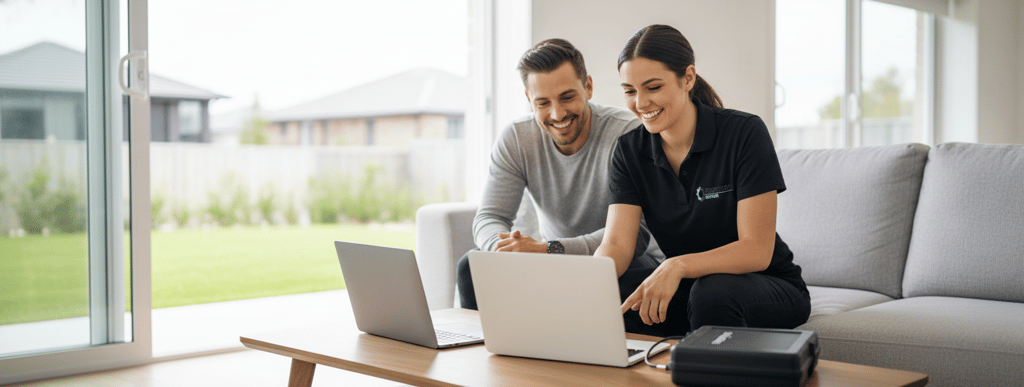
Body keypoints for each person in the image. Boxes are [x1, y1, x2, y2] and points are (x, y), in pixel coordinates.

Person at [595, 24, 810, 337]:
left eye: (653, 87)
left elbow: (757, 249)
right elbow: (616, 244)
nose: (640, 103)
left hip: (767, 284)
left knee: (712, 293)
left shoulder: (744, 133)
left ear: (688, 78)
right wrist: (586, 285)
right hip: (693, 287)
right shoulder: (629, 151)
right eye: (629, 91)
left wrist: (677, 265)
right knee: (618, 291)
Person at [457, 38, 662, 310]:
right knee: (470, 268)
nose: (557, 113)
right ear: (529, 100)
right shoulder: (518, 138)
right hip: (551, 259)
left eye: (567, 97)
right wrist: (503, 251)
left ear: (588, 87)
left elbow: (637, 235)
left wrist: (549, 250)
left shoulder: (627, 134)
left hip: (626, 261)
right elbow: (490, 217)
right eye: (543, 102)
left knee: (627, 276)